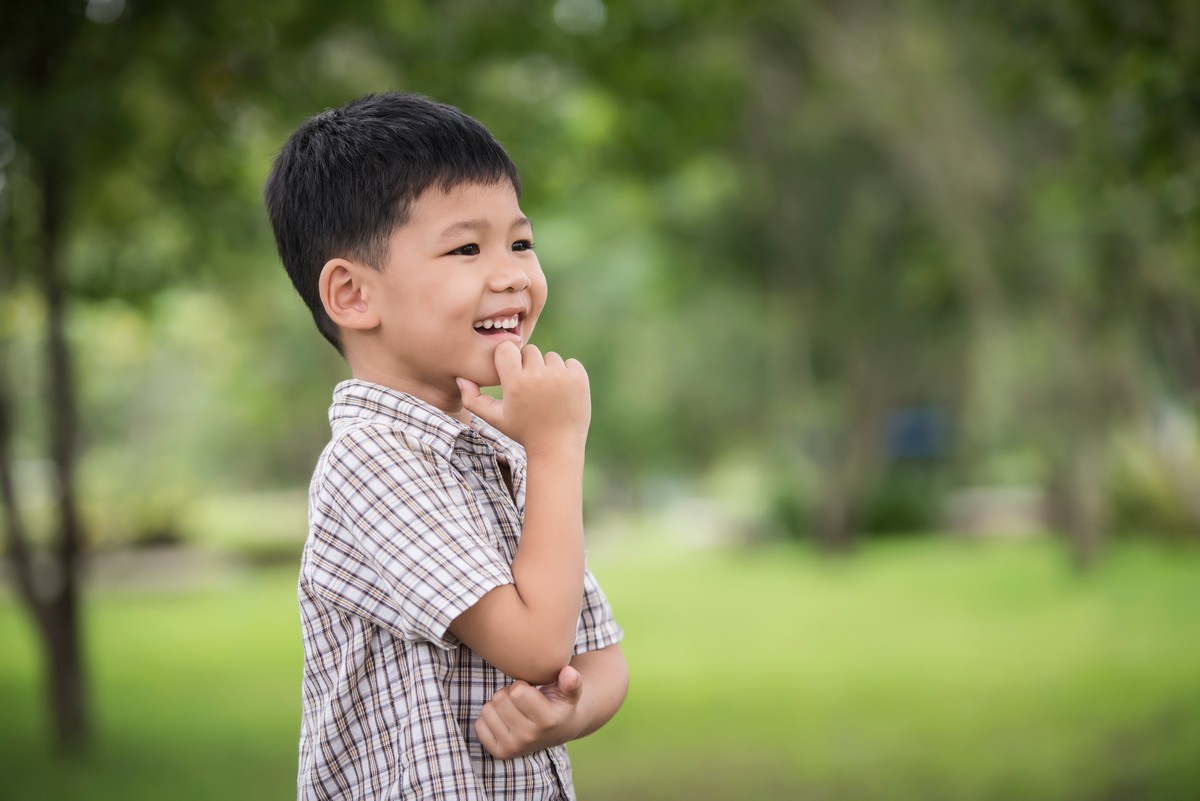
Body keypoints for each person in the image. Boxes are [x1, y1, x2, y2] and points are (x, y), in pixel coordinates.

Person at [264, 92, 628, 800]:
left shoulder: (500, 449)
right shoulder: (370, 462)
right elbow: (535, 644)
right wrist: (558, 449)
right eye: (467, 248)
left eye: (520, 242)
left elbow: (600, 656)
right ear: (352, 294)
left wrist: (564, 712)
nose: (513, 275)